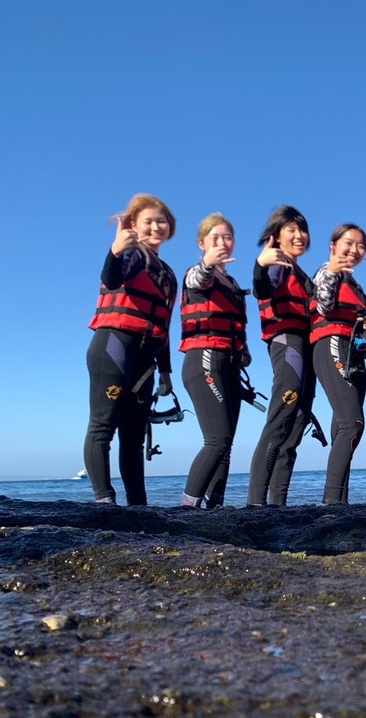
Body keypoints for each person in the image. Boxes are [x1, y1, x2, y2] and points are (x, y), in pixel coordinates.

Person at [84, 194, 178, 506]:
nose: (156, 226)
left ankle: (138, 506)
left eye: (161, 220)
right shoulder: (132, 254)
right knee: (103, 426)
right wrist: (115, 249)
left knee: (134, 437)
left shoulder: (168, 274)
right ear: (134, 225)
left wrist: (166, 372)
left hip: (146, 360)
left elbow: (163, 325)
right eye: (148, 221)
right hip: (114, 347)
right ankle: (105, 501)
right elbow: (111, 280)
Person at [247, 205, 316, 506]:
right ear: (276, 235)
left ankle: (278, 504)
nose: (299, 235)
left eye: (302, 230)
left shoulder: (300, 273)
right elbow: (263, 289)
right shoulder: (275, 263)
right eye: (292, 229)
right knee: (279, 421)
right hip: (287, 343)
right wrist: (259, 266)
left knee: (295, 427)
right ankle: (254, 504)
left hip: (307, 348)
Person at [178, 214, 249, 509]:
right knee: (217, 439)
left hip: (229, 364)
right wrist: (208, 262)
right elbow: (199, 277)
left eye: (228, 237)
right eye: (215, 237)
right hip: (204, 359)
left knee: (227, 445)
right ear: (202, 243)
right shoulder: (197, 274)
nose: (223, 243)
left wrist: (243, 353)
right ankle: (187, 508)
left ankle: (214, 507)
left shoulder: (232, 283)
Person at [311, 223, 366, 506]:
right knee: (353, 424)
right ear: (333, 246)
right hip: (331, 345)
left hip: (353, 353)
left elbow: (358, 327)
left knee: (342, 427)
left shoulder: (356, 287)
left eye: (361, 246)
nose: (355, 250)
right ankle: (332, 504)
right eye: (348, 243)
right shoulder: (326, 272)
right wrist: (334, 270)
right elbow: (324, 305)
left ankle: (339, 501)